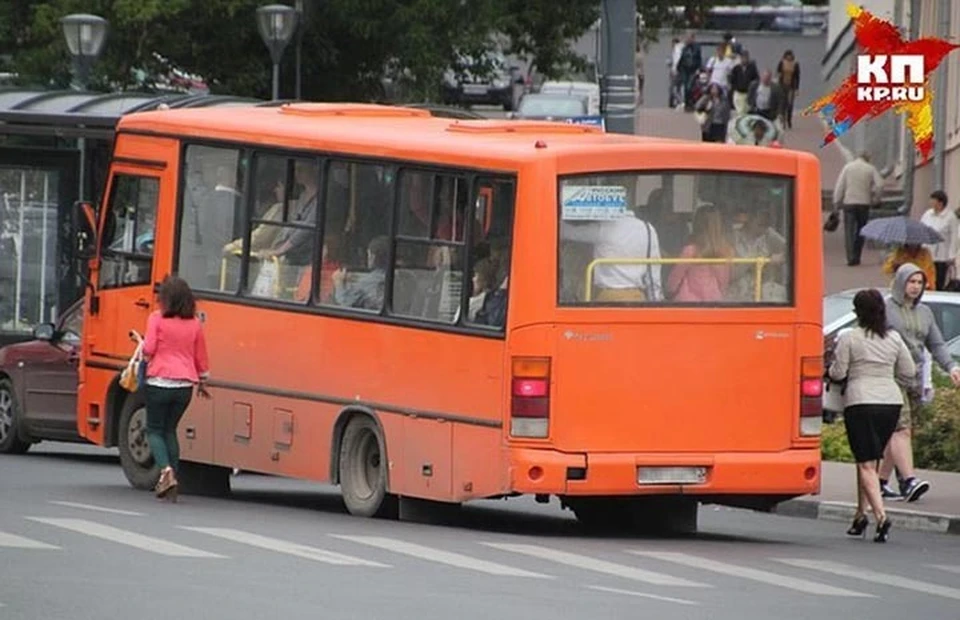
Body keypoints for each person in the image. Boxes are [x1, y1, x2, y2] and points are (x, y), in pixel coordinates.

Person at [829, 288, 915, 543]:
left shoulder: (850, 338)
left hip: (860, 402)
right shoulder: (894, 338)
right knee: (871, 460)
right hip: (890, 402)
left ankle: (881, 516)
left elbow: (837, 373)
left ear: (857, 312)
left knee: (865, 463)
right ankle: (859, 515)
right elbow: (908, 370)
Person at [880, 264, 960, 501]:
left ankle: (880, 481)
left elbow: (936, 344)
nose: (915, 287)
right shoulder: (886, 309)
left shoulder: (925, 312)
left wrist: (951, 367)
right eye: (911, 281)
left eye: (919, 282)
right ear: (901, 282)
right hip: (891, 376)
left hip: (914, 377)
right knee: (900, 428)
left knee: (902, 432)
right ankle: (909, 480)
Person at [141, 276, 210, 502]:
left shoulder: (156, 318)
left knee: (154, 430)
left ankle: (166, 471)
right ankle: (172, 477)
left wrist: (142, 347)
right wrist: (203, 379)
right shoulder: (195, 324)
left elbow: (149, 348)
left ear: (165, 299)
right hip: (184, 385)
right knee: (170, 430)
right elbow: (201, 356)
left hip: (159, 381)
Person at [666, 205, 732, 302]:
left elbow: (674, 280)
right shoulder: (725, 251)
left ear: (697, 225)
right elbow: (724, 283)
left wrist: (668, 291)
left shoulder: (690, 251)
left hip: (688, 304)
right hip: (714, 303)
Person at [832, 151, 883, 266]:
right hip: (864, 203)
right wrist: (876, 198)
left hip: (849, 202)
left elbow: (840, 186)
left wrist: (836, 202)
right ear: (868, 158)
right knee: (861, 230)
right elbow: (880, 184)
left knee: (849, 231)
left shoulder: (848, 167)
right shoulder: (870, 168)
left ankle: (850, 257)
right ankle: (857, 256)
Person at [919, 190, 957, 290]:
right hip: (927, 253)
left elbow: (954, 237)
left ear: (940, 203)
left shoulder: (950, 217)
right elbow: (921, 229)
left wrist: (951, 256)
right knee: (925, 278)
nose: (931, 203)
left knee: (939, 280)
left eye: (933, 201)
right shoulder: (927, 214)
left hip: (942, 256)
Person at [729, 50, 758, 117]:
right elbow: (732, 80)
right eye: (743, 57)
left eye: (746, 57)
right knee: (740, 112)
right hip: (738, 93)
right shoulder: (736, 68)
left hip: (748, 93)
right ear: (740, 58)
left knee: (746, 112)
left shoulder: (752, 68)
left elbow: (756, 80)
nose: (744, 59)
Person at [776, 50, 800, 129]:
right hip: (782, 86)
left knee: (790, 104)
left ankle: (789, 120)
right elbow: (778, 73)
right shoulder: (782, 63)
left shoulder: (795, 64)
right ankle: (782, 120)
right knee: (782, 103)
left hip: (791, 87)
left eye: (790, 55)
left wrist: (797, 89)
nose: (789, 57)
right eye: (787, 55)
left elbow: (797, 77)